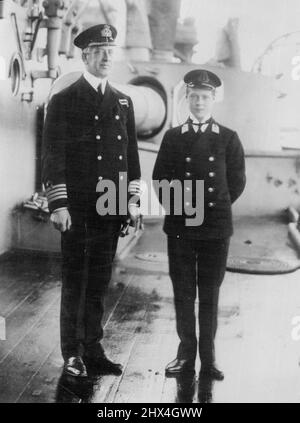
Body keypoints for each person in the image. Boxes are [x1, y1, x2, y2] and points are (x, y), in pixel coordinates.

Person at [42, 24, 141, 377]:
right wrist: (59, 204)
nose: (106, 57)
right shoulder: (65, 100)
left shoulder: (123, 102)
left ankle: (93, 348)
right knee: (76, 280)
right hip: (79, 207)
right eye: (99, 51)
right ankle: (72, 353)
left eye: (110, 51)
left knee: (99, 279)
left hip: (111, 205)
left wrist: (131, 201)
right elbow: (52, 155)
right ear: (85, 55)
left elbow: (130, 157)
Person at [152, 69, 246, 380]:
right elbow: (160, 180)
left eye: (205, 97)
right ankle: (185, 354)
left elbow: (236, 182)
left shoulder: (229, 138)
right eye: (194, 97)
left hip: (216, 228)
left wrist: (211, 208)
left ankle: (208, 358)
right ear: (187, 99)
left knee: (209, 292)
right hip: (180, 226)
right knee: (182, 291)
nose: (200, 102)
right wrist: (183, 209)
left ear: (213, 100)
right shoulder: (172, 137)